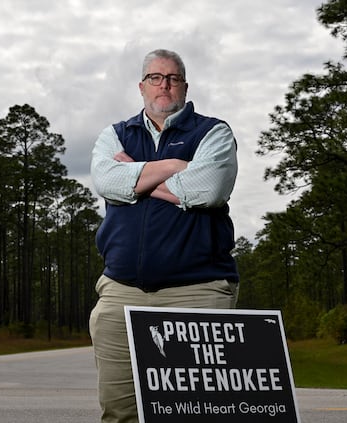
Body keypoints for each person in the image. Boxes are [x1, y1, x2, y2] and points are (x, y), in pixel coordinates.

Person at [89, 48, 239, 423]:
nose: (164, 85)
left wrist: (136, 176)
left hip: (198, 291)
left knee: (199, 413)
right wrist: (174, 167)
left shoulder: (213, 132)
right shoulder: (115, 135)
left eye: (173, 78)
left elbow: (208, 190)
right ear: (142, 86)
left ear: (184, 86)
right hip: (121, 291)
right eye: (156, 77)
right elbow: (107, 182)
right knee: (119, 412)